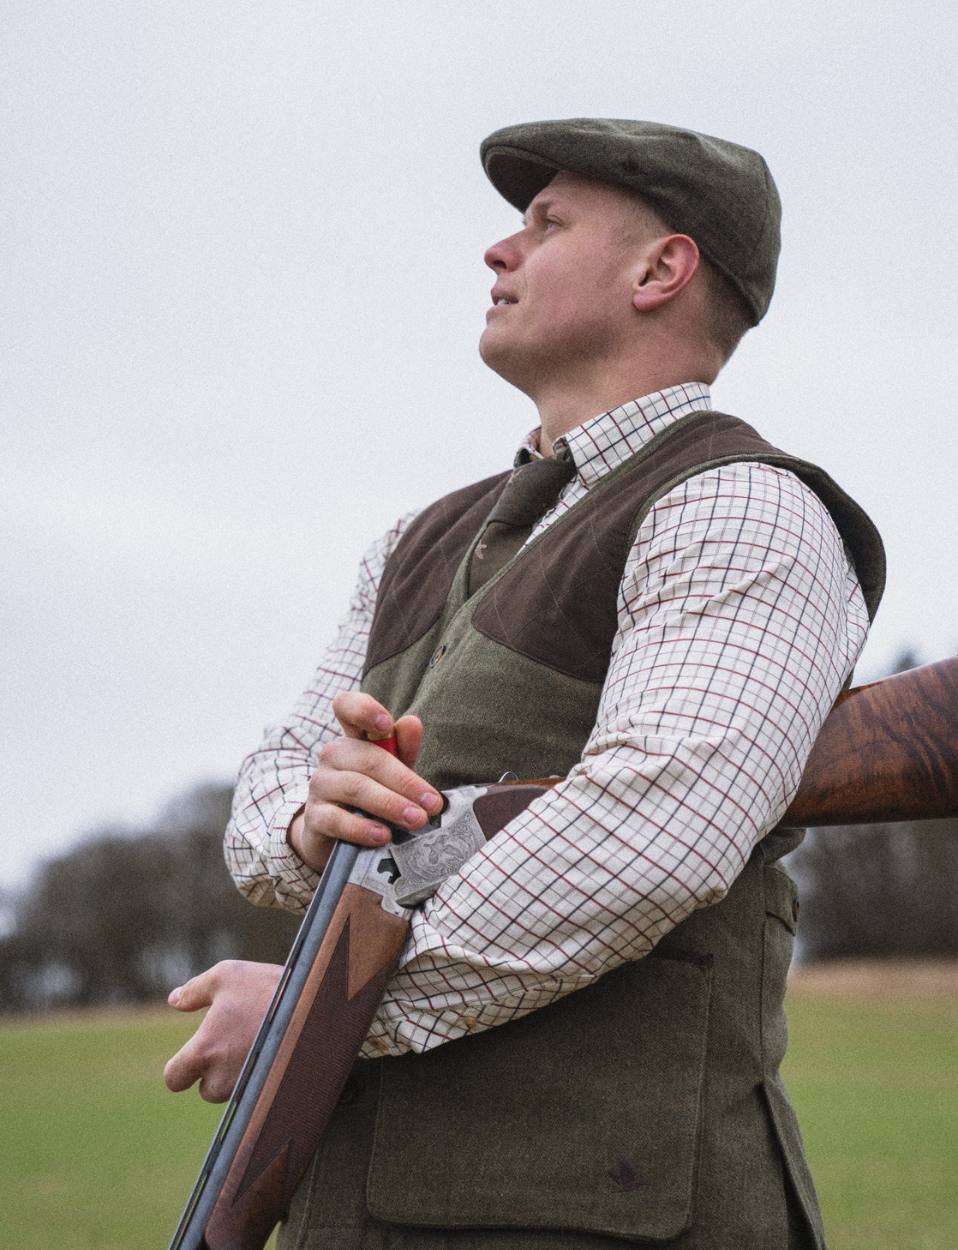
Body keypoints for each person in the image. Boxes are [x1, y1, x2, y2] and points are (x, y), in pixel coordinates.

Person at [164, 118, 885, 1249]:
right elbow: (265, 796)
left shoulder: (738, 505)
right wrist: (318, 819)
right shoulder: (413, 539)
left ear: (661, 270)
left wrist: (319, 1023)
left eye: (545, 225)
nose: (498, 252)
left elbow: (648, 837)